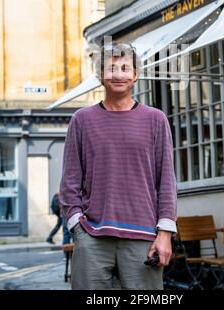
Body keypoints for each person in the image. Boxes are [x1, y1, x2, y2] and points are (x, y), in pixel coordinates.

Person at [59, 41, 177, 290]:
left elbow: (165, 180)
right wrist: (76, 226)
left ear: (135, 75)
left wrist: (164, 234)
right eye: (111, 68)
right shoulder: (82, 120)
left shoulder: (155, 120)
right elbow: (70, 181)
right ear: (100, 75)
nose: (118, 74)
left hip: (143, 237)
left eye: (125, 68)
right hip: (92, 235)